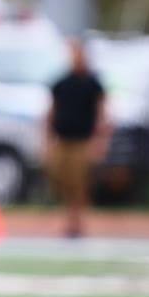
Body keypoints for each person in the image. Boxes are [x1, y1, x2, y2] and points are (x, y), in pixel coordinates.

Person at [46, 38, 110, 238]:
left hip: (82, 140)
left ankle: (76, 222)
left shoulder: (93, 84)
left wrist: (100, 140)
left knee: (79, 182)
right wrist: (47, 139)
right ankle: (70, 218)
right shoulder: (61, 83)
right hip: (63, 139)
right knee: (60, 177)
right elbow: (51, 111)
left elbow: (102, 114)